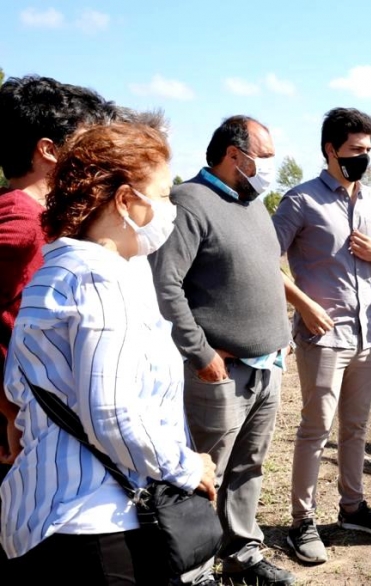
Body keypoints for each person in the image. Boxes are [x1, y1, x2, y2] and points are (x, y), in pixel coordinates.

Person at [0, 122, 216, 584]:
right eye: (162, 195)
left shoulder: (54, 269)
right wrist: (188, 466)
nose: (170, 209)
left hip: (48, 512)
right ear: (124, 200)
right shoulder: (101, 279)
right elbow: (114, 414)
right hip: (103, 525)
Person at [149, 116, 294, 586]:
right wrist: (200, 352)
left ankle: (242, 552)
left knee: (249, 466)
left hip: (266, 367)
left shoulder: (253, 203)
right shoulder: (190, 202)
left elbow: (268, 272)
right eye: (265, 155)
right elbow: (164, 285)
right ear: (235, 155)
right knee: (205, 471)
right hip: (218, 373)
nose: (270, 165)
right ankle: (197, 567)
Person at [273, 107, 371, 564]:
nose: (364, 158)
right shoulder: (300, 201)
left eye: (368, 150)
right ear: (331, 149)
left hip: (367, 333)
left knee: (356, 427)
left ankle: (352, 507)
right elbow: (266, 261)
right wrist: (304, 305)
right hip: (322, 336)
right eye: (356, 150)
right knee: (315, 429)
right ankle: (301, 521)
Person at [0, 75, 115, 470]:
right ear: (49, 149)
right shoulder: (21, 220)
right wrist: (7, 407)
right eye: (86, 142)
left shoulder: (46, 219)